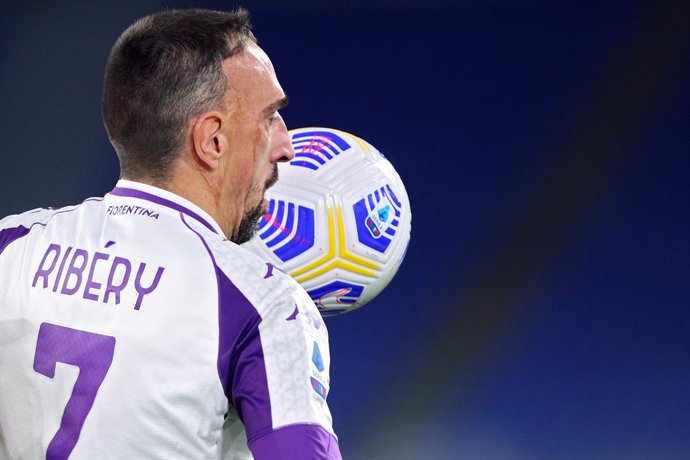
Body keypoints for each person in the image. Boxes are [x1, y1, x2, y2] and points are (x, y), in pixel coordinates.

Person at [0, 8, 342, 460]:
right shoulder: (263, 305)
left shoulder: (13, 245)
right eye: (269, 117)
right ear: (212, 140)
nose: (286, 146)